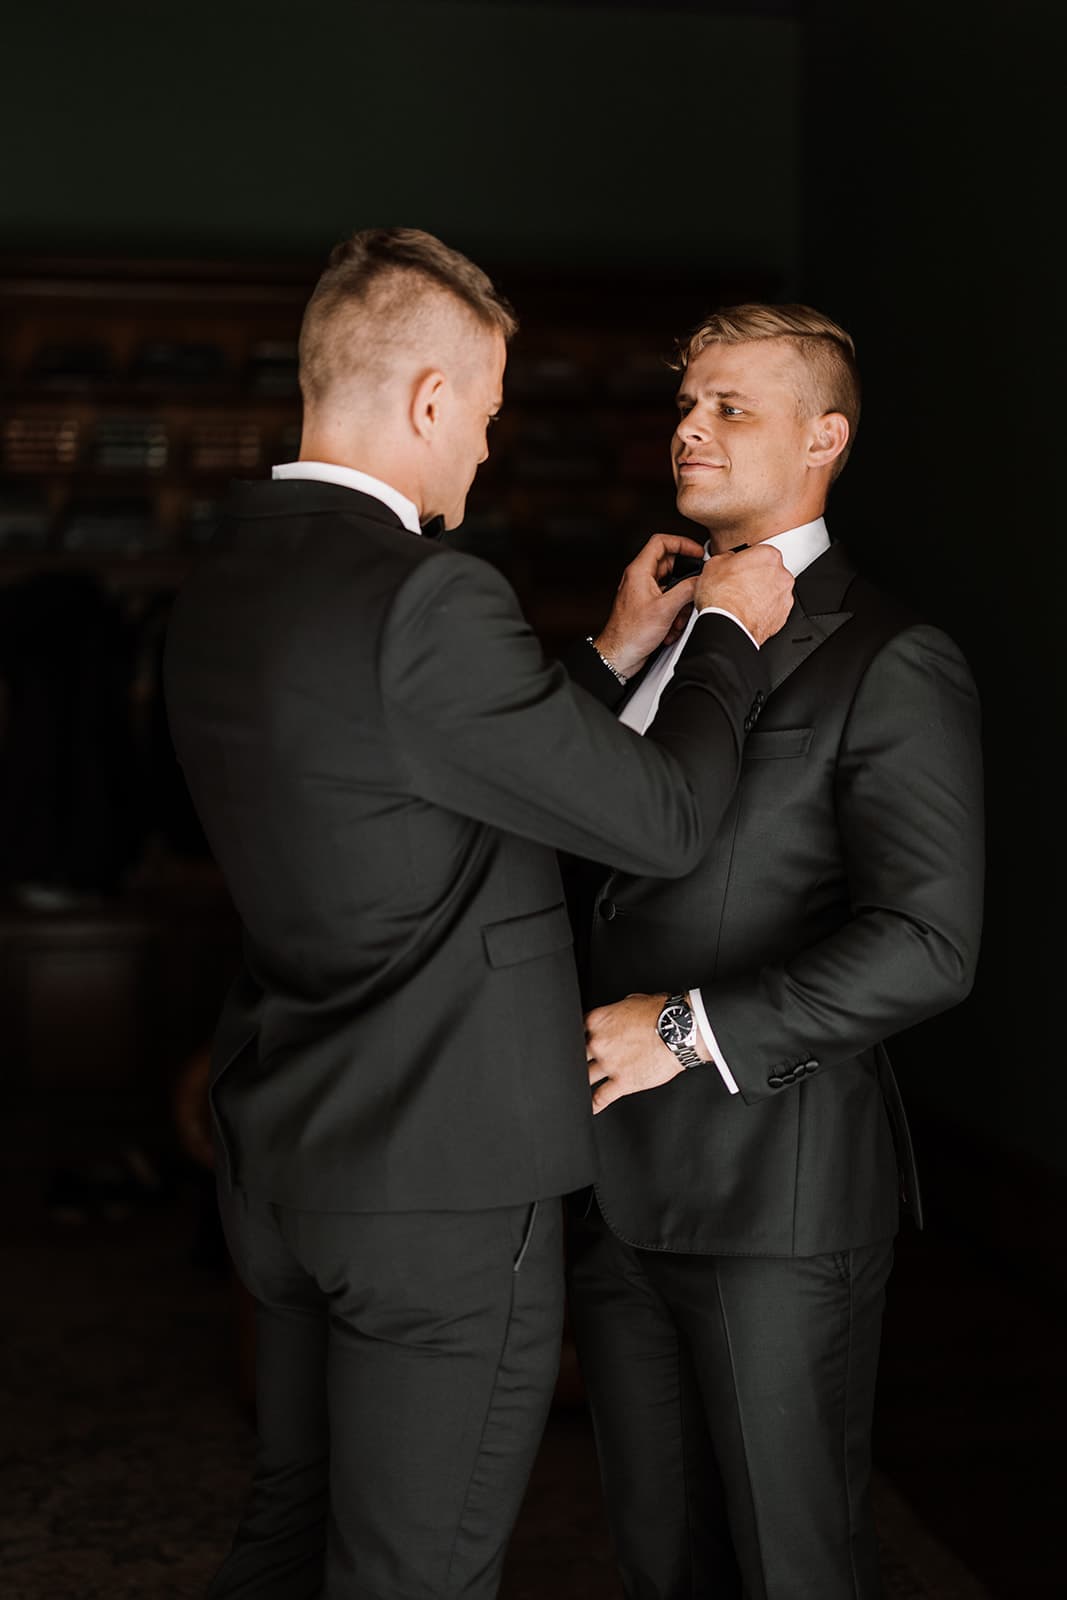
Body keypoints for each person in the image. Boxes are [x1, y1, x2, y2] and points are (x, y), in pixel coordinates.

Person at [162, 229, 794, 1600]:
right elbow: (663, 819)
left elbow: (417, 763)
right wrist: (727, 641)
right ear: (433, 401)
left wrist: (607, 657)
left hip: (283, 1157)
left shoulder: (223, 582)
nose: (490, 454)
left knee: (289, 1528)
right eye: (491, 418)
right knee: (414, 1575)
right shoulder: (430, 594)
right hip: (437, 1184)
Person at [566, 303, 985, 1600]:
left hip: (775, 1199)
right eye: (686, 401)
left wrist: (686, 1027)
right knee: (655, 1557)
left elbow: (928, 942)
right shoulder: (653, 627)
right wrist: (609, 662)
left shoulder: (893, 658)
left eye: (730, 406)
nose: (691, 425)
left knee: (792, 1566)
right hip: (603, 1184)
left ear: (826, 438)